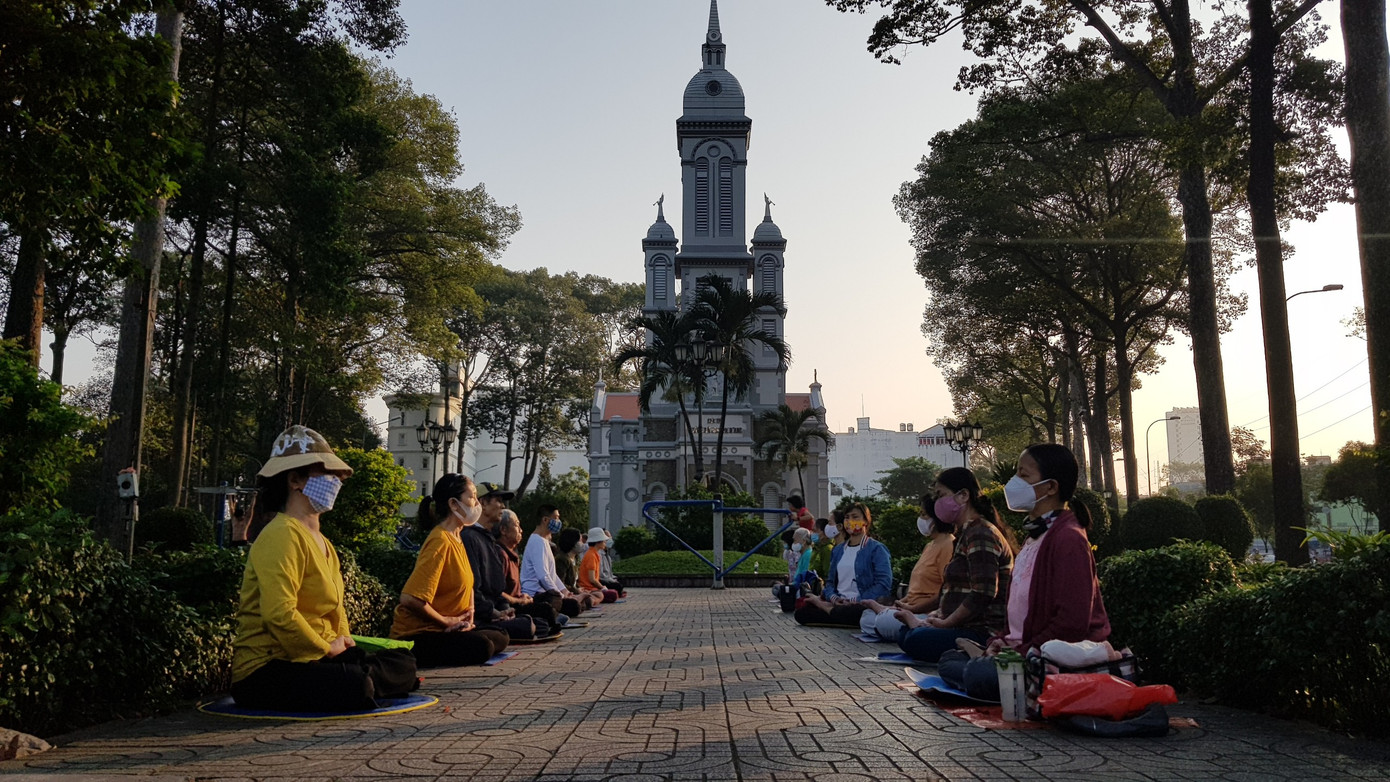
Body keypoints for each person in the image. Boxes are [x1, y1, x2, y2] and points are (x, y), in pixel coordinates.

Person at [230, 425, 417, 712]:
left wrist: (344, 644)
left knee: (402, 663)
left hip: (317, 657)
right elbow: (279, 615)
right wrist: (325, 648)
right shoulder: (280, 535)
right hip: (268, 668)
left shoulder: (324, 543)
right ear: (295, 480)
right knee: (355, 683)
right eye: (328, 474)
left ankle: (370, 679)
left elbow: (336, 612)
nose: (337, 482)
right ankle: (367, 682)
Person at [937, 444, 1111, 700]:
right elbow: (1017, 613)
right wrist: (1000, 641)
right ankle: (986, 668)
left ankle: (991, 672)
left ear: (1051, 487)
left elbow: (1071, 625)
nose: (1014, 482)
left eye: (1024, 475)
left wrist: (1017, 652)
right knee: (950, 659)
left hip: (1052, 656)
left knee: (976, 673)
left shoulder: (1068, 539)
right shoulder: (1034, 539)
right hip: (1020, 650)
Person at [895, 467, 1018, 663]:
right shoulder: (965, 534)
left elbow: (983, 592)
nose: (937, 502)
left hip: (980, 631)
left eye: (941, 495)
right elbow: (948, 592)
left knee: (915, 639)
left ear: (963, 495)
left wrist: (945, 623)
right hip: (958, 626)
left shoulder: (981, 532)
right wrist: (926, 616)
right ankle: (920, 627)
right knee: (905, 634)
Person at [389, 473, 511, 667]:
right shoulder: (440, 540)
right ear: (454, 504)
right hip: (421, 634)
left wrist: (469, 616)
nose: (476, 503)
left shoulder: (458, 537)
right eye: (471, 497)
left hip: (451, 629)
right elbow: (410, 599)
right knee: (482, 646)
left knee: (500, 636)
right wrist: (446, 622)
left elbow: (469, 585)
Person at [859, 495, 955, 641]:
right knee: (867, 618)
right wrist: (901, 604)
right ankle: (887, 614)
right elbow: (914, 591)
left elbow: (944, 593)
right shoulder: (930, 545)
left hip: (927, 612)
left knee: (883, 621)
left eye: (924, 515)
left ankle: (893, 617)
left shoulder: (948, 545)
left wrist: (911, 609)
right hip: (909, 608)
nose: (921, 519)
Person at [459, 482, 537, 640]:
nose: (503, 506)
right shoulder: (469, 537)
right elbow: (474, 590)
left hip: (495, 612)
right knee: (527, 626)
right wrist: (495, 613)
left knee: (538, 620)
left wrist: (505, 609)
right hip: (481, 617)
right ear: (482, 503)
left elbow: (497, 590)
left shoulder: (488, 538)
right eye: (498, 501)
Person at [793, 503, 892, 627]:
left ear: (866, 521)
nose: (850, 521)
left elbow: (883, 584)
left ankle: (826, 608)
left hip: (862, 604)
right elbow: (830, 582)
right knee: (802, 614)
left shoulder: (877, 549)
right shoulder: (838, 550)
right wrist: (833, 597)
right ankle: (833, 611)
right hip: (838, 602)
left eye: (855, 517)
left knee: (858, 612)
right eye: (847, 517)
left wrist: (855, 601)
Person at [495, 510, 559, 636]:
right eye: (517, 525)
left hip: (520, 601)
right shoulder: (500, 554)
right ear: (503, 530)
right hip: (507, 608)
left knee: (549, 605)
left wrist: (523, 597)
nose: (521, 530)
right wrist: (519, 601)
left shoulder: (512, 554)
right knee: (544, 612)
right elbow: (498, 594)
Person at [521, 505, 587, 617]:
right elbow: (543, 577)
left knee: (579, 604)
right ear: (545, 520)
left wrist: (564, 591)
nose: (558, 522)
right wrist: (560, 595)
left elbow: (552, 575)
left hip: (547, 593)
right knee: (574, 606)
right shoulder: (537, 542)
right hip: (536, 594)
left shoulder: (544, 541)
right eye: (556, 518)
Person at [579, 527, 620, 603]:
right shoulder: (591, 555)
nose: (605, 542)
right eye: (604, 541)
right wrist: (602, 587)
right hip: (588, 588)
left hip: (593, 588)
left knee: (613, 592)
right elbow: (592, 579)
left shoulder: (595, 554)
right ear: (598, 542)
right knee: (612, 594)